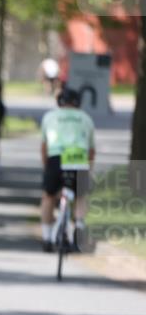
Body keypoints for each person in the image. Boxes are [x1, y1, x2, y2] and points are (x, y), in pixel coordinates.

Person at [39, 87, 95, 253]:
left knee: (48, 196)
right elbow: (91, 150)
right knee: (80, 196)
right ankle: (78, 230)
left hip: (56, 157)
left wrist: (47, 167)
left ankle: (47, 237)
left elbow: (44, 147)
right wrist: (89, 170)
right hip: (78, 157)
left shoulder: (50, 117)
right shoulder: (86, 118)